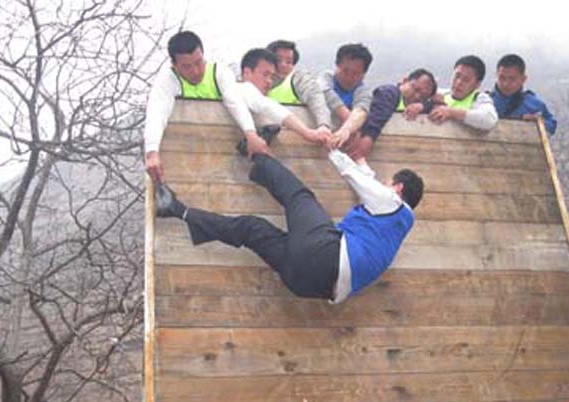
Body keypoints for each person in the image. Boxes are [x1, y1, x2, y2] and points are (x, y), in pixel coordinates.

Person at [154, 149, 423, 302]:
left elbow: (355, 176)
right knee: (251, 228)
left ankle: (256, 153)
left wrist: (332, 148)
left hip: (325, 255)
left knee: (299, 196)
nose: (384, 186)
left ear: (398, 188)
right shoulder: (394, 228)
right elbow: (369, 183)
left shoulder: (393, 203)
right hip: (307, 286)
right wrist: (363, 159)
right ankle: (178, 211)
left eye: (388, 183)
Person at [144, 30, 270, 181]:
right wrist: (152, 153)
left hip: (223, 151)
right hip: (186, 155)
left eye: (198, 62)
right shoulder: (167, 80)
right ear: (174, 65)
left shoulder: (219, 72)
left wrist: (251, 135)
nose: (196, 71)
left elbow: (235, 103)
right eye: (187, 67)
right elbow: (156, 113)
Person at [233, 48, 330, 150]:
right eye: (265, 75)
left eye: (271, 76)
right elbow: (269, 107)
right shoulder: (241, 88)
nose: (269, 81)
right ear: (247, 73)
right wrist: (308, 133)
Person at [347, 68, 437, 160]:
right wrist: (368, 138)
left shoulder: (419, 106)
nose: (417, 96)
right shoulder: (389, 92)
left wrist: (424, 106)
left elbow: (436, 106)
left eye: (423, 96)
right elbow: (379, 114)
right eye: (415, 89)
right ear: (405, 81)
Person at [266, 39, 332, 141]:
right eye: (278, 60)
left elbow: (315, 97)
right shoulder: (254, 82)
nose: (283, 65)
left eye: (289, 62)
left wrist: (324, 125)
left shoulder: (298, 79)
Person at [317, 43, 374, 148]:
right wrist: (351, 123)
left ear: (364, 73)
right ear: (337, 65)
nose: (349, 77)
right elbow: (324, 92)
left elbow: (361, 111)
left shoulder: (364, 91)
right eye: (345, 71)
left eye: (355, 73)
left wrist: (345, 130)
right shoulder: (326, 77)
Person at [489, 54, 557, 135]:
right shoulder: (484, 102)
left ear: (523, 79)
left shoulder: (534, 105)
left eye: (512, 79)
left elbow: (552, 125)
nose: (506, 84)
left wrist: (536, 122)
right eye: (502, 78)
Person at [428, 55, 498, 131]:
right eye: (457, 76)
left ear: (477, 84)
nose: (459, 82)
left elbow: (489, 119)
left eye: (466, 79)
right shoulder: (439, 94)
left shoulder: (480, 98)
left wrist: (450, 112)